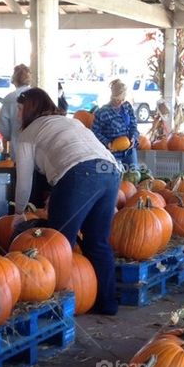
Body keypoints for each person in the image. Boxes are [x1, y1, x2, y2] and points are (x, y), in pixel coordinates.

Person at [14, 87, 120, 315]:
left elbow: (24, 182)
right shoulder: (71, 122)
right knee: (98, 242)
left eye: (20, 109)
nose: (17, 115)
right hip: (110, 170)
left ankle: (56, 310)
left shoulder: (28, 134)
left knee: (59, 245)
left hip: (79, 173)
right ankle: (107, 304)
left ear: (30, 109)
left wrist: (19, 212)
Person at [92, 79, 139, 168]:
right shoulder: (102, 112)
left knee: (134, 173)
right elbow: (95, 132)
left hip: (129, 150)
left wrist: (133, 137)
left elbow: (133, 125)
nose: (120, 102)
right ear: (112, 97)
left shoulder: (127, 107)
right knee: (116, 175)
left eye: (122, 100)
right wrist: (107, 143)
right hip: (112, 153)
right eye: (117, 100)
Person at [0, 64, 31, 151]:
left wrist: (10, 136)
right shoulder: (38, 95)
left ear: (14, 79)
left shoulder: (10, 98)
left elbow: (3, 124)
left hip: (17, 143)